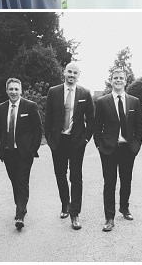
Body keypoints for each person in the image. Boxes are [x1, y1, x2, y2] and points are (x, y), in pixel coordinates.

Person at [44, 62, 94, 230]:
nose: (72, 75)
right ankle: (65, 204)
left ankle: (75, 213)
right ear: (64, 73)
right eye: (69, 72)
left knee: (76, 177)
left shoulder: (85, 93)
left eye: (75, 73)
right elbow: (48, 117)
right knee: (60, 174)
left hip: (77, 142)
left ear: (79, 75)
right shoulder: (53, 92)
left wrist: (86, 139)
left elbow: (91, 119)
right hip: (58, 141)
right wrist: (50, 140)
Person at [93, 68, 142, 232]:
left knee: (126, 180)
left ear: (125, 81)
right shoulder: (102, 102)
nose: (118, 80)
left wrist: (136, 145)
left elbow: (138, 127)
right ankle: (109, 217)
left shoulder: (134, 101)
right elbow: (97, 126)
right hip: (108, 149)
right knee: (109, 183)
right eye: (115, 78)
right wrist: (99, 145)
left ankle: (124, 208)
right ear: (111, 80)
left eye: (121, 78)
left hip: (128, 148)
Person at [0, 78, 43, 230]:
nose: (14, 92)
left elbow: (38, 130)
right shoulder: (2, 108)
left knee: (22, 181)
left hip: (24, 153)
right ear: (7, 91)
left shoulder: (30, 106)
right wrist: (1, 151)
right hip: (8, 153)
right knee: (14, 181)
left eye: (16, 89)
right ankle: (21, 206)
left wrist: (32, 149)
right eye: (11, 89)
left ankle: (20, 216)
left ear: (21, 91)